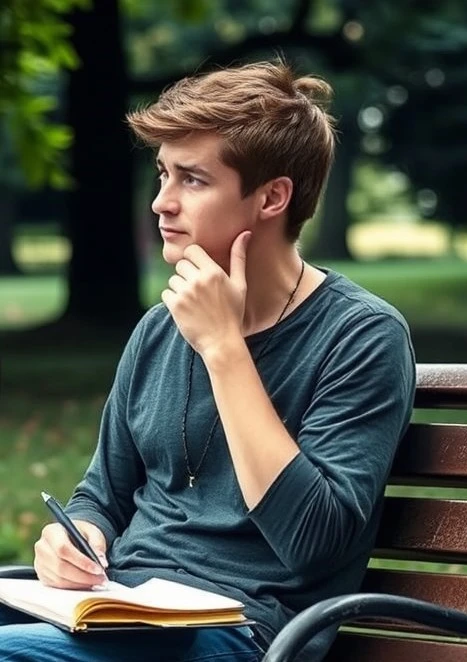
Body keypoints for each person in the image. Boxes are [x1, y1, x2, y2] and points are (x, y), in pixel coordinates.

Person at [0, 59, 416, 661]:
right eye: (163, 175)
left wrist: (225, 348)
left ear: (272, 197)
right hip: (120, 608)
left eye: (192, 180)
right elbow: (103, 493)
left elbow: (313, 540)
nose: (161, 203)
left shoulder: (362, 337)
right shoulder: (159, 329)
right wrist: (78, 537)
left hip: (242, 630)